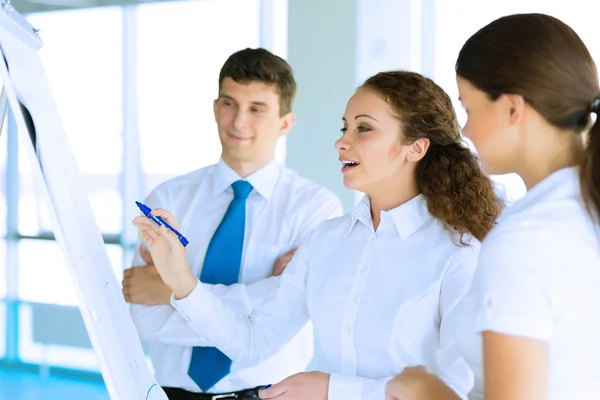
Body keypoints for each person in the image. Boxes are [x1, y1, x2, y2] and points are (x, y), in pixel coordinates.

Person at [133, 70, 503, 400]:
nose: (341, 142)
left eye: (363, 128)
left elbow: (460, 391)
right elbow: (252, 343)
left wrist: (332, 390)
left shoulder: (460, 252)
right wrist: (181, 278)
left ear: (415, 148)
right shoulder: (325, 241)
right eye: (344, 127)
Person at [386, 13, 600, 400]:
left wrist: (423, 390)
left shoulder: (524, 242)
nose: (464, 131)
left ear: (512, 109)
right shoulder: (583, 211)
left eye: (468, 107)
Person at [123, 47, 343, 400]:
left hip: (270, 394)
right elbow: (146, 320)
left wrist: (177, 292)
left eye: (257, 109)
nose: (239, 121)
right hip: (172, 393)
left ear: (285, 122)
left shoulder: (316, 210)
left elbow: (284, 324)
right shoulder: (168, 199)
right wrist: (267, 290)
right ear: (215, 108)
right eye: (229, 104)